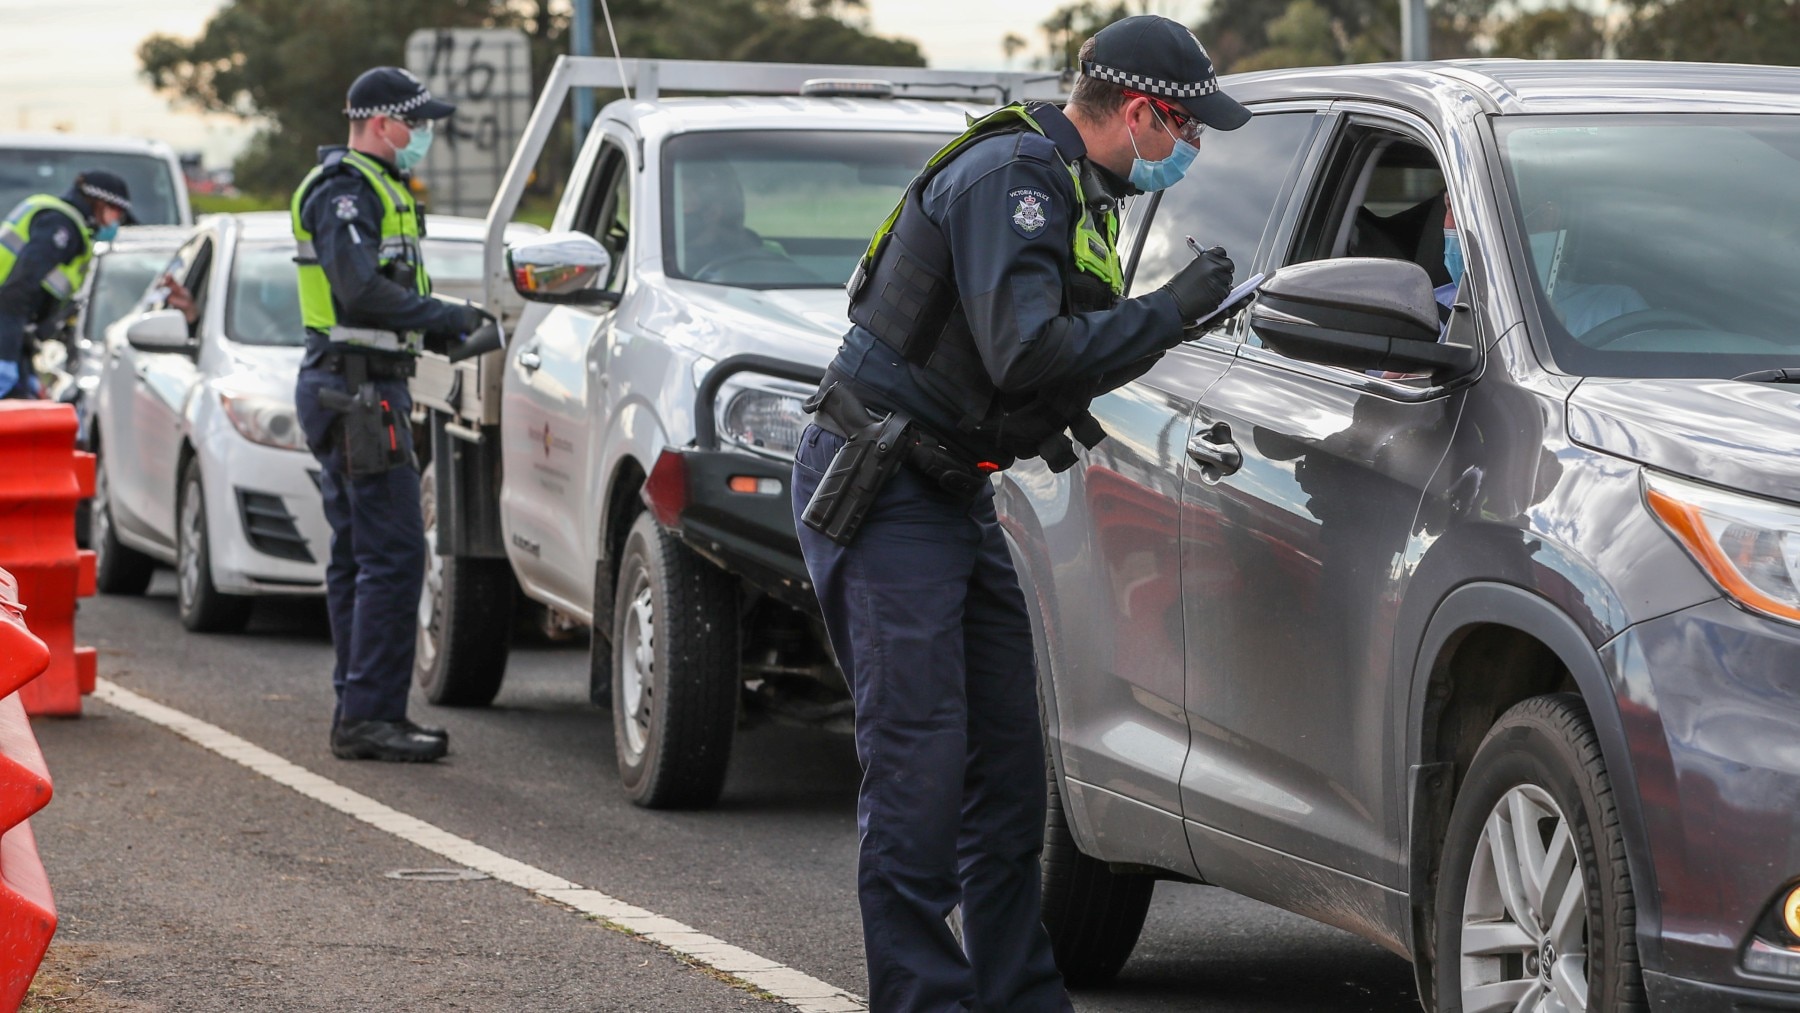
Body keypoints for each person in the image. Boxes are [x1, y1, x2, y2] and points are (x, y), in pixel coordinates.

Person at [789, 15, 1248, 1012]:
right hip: (885, 488)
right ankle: (922, 998)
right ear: (1140, 112)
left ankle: (1017, 995)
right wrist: (1173, 310)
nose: (1195, 150)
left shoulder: (1073, 185)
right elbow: (1027, 352)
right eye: (1189, 129)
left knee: (1005, 768)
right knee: (918, 767)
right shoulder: (1016, 180)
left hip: (949, 488)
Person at [290, 66, 486, 763]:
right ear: (382, 123)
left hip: (358, 386)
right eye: (418, 122)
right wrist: (449, 318)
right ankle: (370, 715)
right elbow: (360, 291)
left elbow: (378, 296)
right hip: (359, 394)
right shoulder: (347, 193)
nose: (424, 134)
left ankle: (360, 710)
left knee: (359, 557)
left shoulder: (375, 189)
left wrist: (438, 331)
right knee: (396, 555)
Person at [0, 171, 132, 398]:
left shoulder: (69, 225)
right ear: (99, 203)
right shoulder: (61, 226)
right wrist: (6, 357)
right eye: (117, 212)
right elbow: (19, 289)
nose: (116, 222)